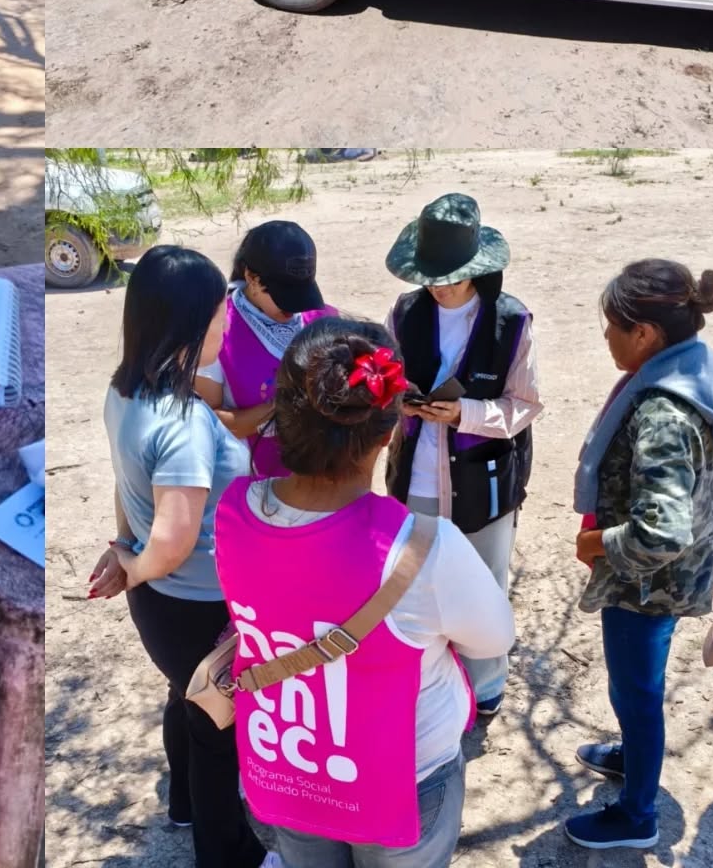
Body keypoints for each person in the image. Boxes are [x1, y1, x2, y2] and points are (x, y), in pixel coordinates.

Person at [214, 317, 515, 866]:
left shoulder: (234, 511)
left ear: (282, 414)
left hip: (290, 764)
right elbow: (493, 637)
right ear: (390, 428)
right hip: (402, 773)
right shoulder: (422, 546)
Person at [567, 260, 713, 850]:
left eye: (611, 326)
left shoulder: (661, 412)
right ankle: (634, 755)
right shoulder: (692, 366)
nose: (605, 337)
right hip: (679, 572)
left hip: (649, 585)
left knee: (637, 691)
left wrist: (597, 542)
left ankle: (635, 816)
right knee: (639, 686)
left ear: (645, 334)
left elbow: (661, 533)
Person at [87, 245, 269, 868]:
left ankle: (185, 804)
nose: (228, 324)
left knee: (183, 697)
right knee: (218, 731)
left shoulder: (125, 391)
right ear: (197, 320)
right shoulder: (184, 421)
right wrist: (138, 561)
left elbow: (124, 486)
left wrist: (122, 548)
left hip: (160, 604)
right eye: (223, 313)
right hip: (200, 603)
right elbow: (173, 538)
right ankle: (230, 855)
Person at [383, 194, 541, 718]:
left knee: (484, 582)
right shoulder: (405, 312)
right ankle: (425, 686)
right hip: (417, 475)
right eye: (431, 274)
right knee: (413, 581)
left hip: (484, 480)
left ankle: (488, 685)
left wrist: (464, 415)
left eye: (451, 274)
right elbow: (385, 378)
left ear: (477, 267)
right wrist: (399, 399)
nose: (440, 284)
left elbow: (523, 406)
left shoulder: (511, 320)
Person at [194, 221, 337, 476]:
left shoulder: (322, 319)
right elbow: (208, 421)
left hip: (320, 480)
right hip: (251, 486)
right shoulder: (217, 333)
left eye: (301, 294)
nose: (295, 307)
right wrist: (278, 409)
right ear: (251, 278)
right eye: (286, 296)